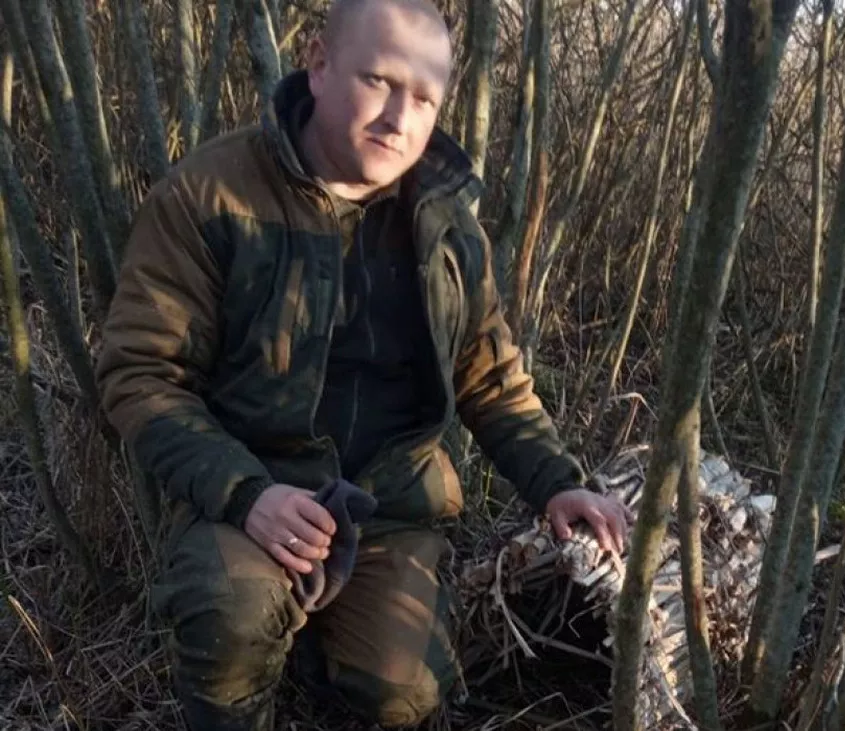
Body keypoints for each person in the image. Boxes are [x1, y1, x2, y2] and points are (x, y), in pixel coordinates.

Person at [96, 0, 631, 728]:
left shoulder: (447, 224)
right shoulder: (210, 195)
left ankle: (321, 643)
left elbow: (490, 378)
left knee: (406, 693)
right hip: (247, 489)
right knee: (233, 612)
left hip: (390, 505)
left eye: (424, 98)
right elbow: (140, 373)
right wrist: (245, 492)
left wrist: (557, 482)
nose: (398, 118)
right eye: (378, 81)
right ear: (319, 64)